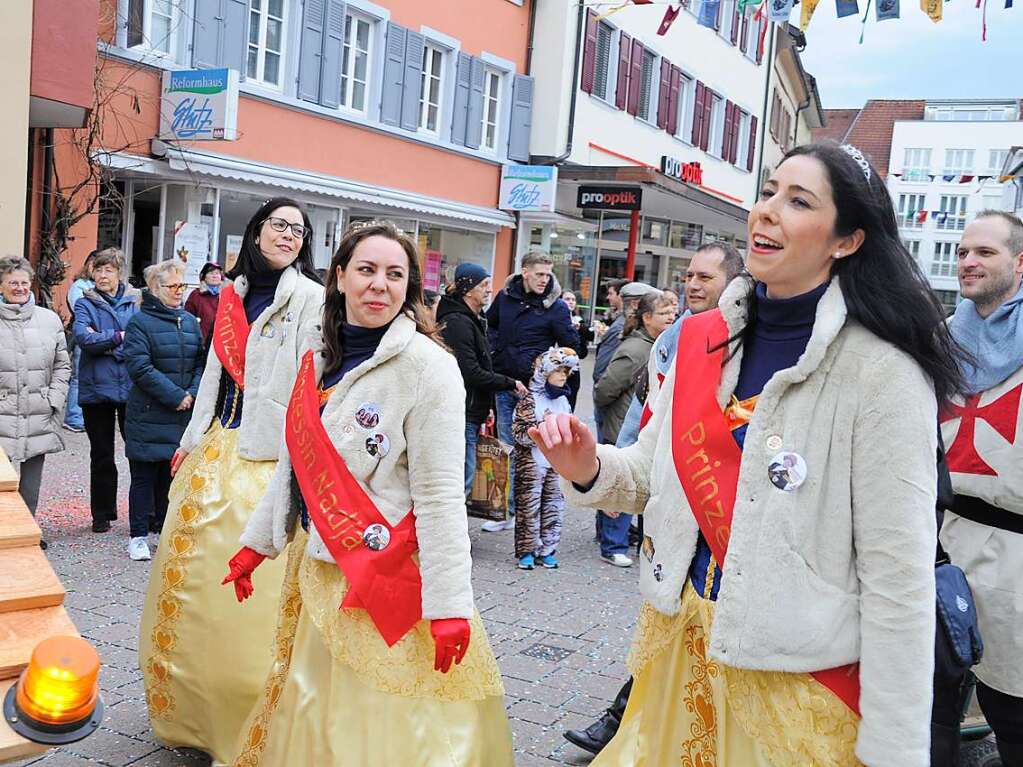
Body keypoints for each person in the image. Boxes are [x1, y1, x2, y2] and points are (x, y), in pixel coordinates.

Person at [531, 142, 966, 766]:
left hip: (794, 684)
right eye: (768, 192)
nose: (767, 212)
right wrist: (589, 469)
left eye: (798, 201)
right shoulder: (702, 339)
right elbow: (651, 475)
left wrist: (894, 749)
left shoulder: (882, 372)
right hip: (681, 657)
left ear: (846, 240)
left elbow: (898, 580)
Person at [225, 221, 514, 766]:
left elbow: (440, 496)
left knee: (371, 728)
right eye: (366, 269)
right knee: (312, 710)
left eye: (394, 274)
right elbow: (295, 463)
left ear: (410, 288)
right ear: (339, 277)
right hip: (317, 567)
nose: (379, 284)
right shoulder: (315, 354)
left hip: (382, 576)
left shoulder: (431, 369)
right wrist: (256, 544)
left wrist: (449, 605)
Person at [138, 198, 323, 764]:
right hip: (218, 448)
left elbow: (310, 388)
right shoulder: (232, 295)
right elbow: (215, 379)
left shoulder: (312, 299)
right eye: (279, 225)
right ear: (256, 232)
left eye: (299, 229)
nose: (289, 235)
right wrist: (191, 441)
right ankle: (192, 712)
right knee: (193, 589)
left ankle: (249, 725)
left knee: (251, 607)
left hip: (270, 461)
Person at [935, 210, 1023, 767]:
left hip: (1016, 556)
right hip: (944, 540)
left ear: (1020, 263)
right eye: (965, 251)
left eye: (986, 253)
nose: (969, 261)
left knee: (1013, 713)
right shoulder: (940, 340)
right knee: (932, 706)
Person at [483, 250, 579, 532]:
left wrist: (556, 378)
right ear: (524, 272)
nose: (543, 279)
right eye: (538, 274)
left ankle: (530, 512)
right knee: (508, 448)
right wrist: (496, 353)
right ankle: (507, 512)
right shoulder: (506, 296)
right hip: (506, 383)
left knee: (534, 451)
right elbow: (492, 325)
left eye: (547, 274)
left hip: (537, 392)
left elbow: (572, 349)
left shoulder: (556, 306)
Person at [122, 260, 205, 561]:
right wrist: (175, 396)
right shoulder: (139, 323)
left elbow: (200, 362)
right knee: (143, 477)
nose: (179, 292)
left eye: (182, 286)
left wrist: (193, 394)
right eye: (173, 286)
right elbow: (140, 367)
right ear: (155, 290)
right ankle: (138, 536)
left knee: (172, 477)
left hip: (182, 413)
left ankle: (166, 532)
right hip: (148, 413)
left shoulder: (189, 322)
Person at [591, 291, 675, 568]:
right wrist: (609, 421)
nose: (671, 317)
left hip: (644, 429)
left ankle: (627, 538)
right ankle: (612, 545)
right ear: (647, 317)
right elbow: (604, 389)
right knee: (624, 482)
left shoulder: (660, 344)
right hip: (623, 428)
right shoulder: (637, 349)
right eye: (664, 313)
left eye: (672, 312)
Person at [436, 262, 526, 498]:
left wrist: (487, 407)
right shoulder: (458, 322)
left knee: (464, 477)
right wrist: (510, 383)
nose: (489, 289)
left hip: (472, 409)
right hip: (462, 410)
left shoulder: (474, 319)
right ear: (467, 289)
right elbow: (471, 372)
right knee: (461, 481)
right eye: (484, 285)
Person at [0, 257, 71, 550]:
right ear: (1, 285)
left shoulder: (49, 319)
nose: (19, 288)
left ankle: (27, 532)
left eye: (24, 282)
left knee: (31, 483)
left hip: (38, 411)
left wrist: (53, 398)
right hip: (2, 411)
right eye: (13, 282)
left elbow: (63, 365)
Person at [72, 248, 141, 533]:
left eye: (108, 270)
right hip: (96, 388)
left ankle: (144, 512)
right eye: (98, 270)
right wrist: (117, 338)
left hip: (130, 387)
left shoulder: (135, 301)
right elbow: (83, 338)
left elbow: (140, 338)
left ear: (119, 273)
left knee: (138, 452)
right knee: (101, 454)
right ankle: (102, 513)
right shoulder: (84, 303)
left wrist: (106, 342)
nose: (102, 275)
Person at [512, 347, 579, 570]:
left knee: (553, 505)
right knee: (529, 507)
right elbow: (519, 432)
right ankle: (527, 550)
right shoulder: (529, 400)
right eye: (559, 370)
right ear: (544, 371)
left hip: (555, 463)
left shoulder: (563, 400)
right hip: (533, 463)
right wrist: (540, 432)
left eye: (567, 371)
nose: (563, 376)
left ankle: (548, 549)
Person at [63, 252, 95, 433]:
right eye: (94, 265)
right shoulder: (80, 286)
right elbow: (80, 309)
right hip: (84, 335)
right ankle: (74, 417)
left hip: (102, 336)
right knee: (78, 377)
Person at [561, 290, 593, 411]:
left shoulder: (578, 321)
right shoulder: (555, 319)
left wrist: (581, 330)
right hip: (557, 366)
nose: (571, 302)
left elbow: (582, 352)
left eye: (573, 300)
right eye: (567, 299)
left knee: (570, 402)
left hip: (574, 368)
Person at [183, 261, 224, 345]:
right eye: (211, 273)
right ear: (204, 277)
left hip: (220, 342)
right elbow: (187, 319)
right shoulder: (196, 295)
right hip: (201, 342)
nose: (214, 276)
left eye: (217, 273)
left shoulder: (225, 296)